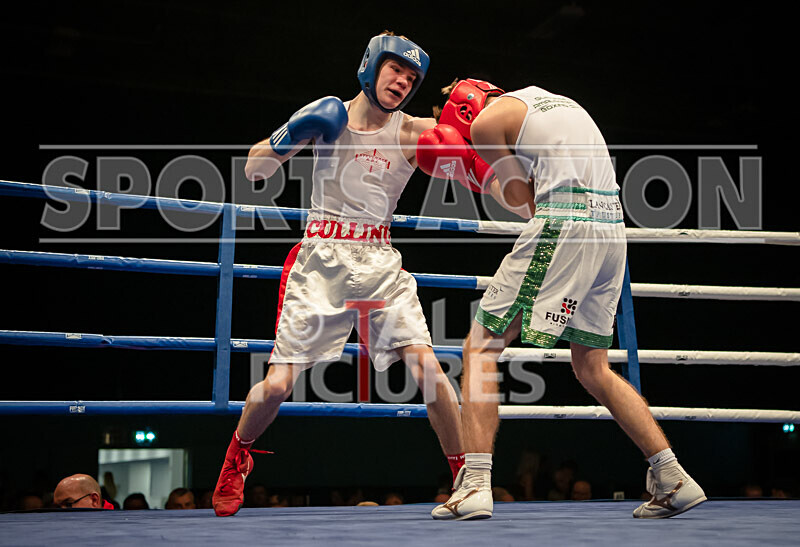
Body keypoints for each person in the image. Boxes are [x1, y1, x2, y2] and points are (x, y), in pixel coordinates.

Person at [418, 78, 706, 520]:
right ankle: (674, 477)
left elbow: (523, 199)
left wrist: (474, 169)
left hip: (564, 222)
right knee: (592, 366)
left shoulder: (484, 125)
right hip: (612, 231)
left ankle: (474, 485)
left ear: (463, 112)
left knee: (480, 346)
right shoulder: (554, 102)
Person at [211, 31, 464, 517]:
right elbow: (253, 170)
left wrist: (486, 146)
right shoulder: (330, 116)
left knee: (430, 372)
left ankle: (464, 476)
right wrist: (292, 130)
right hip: (321, 258)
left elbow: (476, 172)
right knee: (280, 384)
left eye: (412, 78)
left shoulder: (415, 132)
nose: (402, 83)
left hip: (380, 258)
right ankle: (237, 455)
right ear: (372, 66)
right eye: (396, 70)